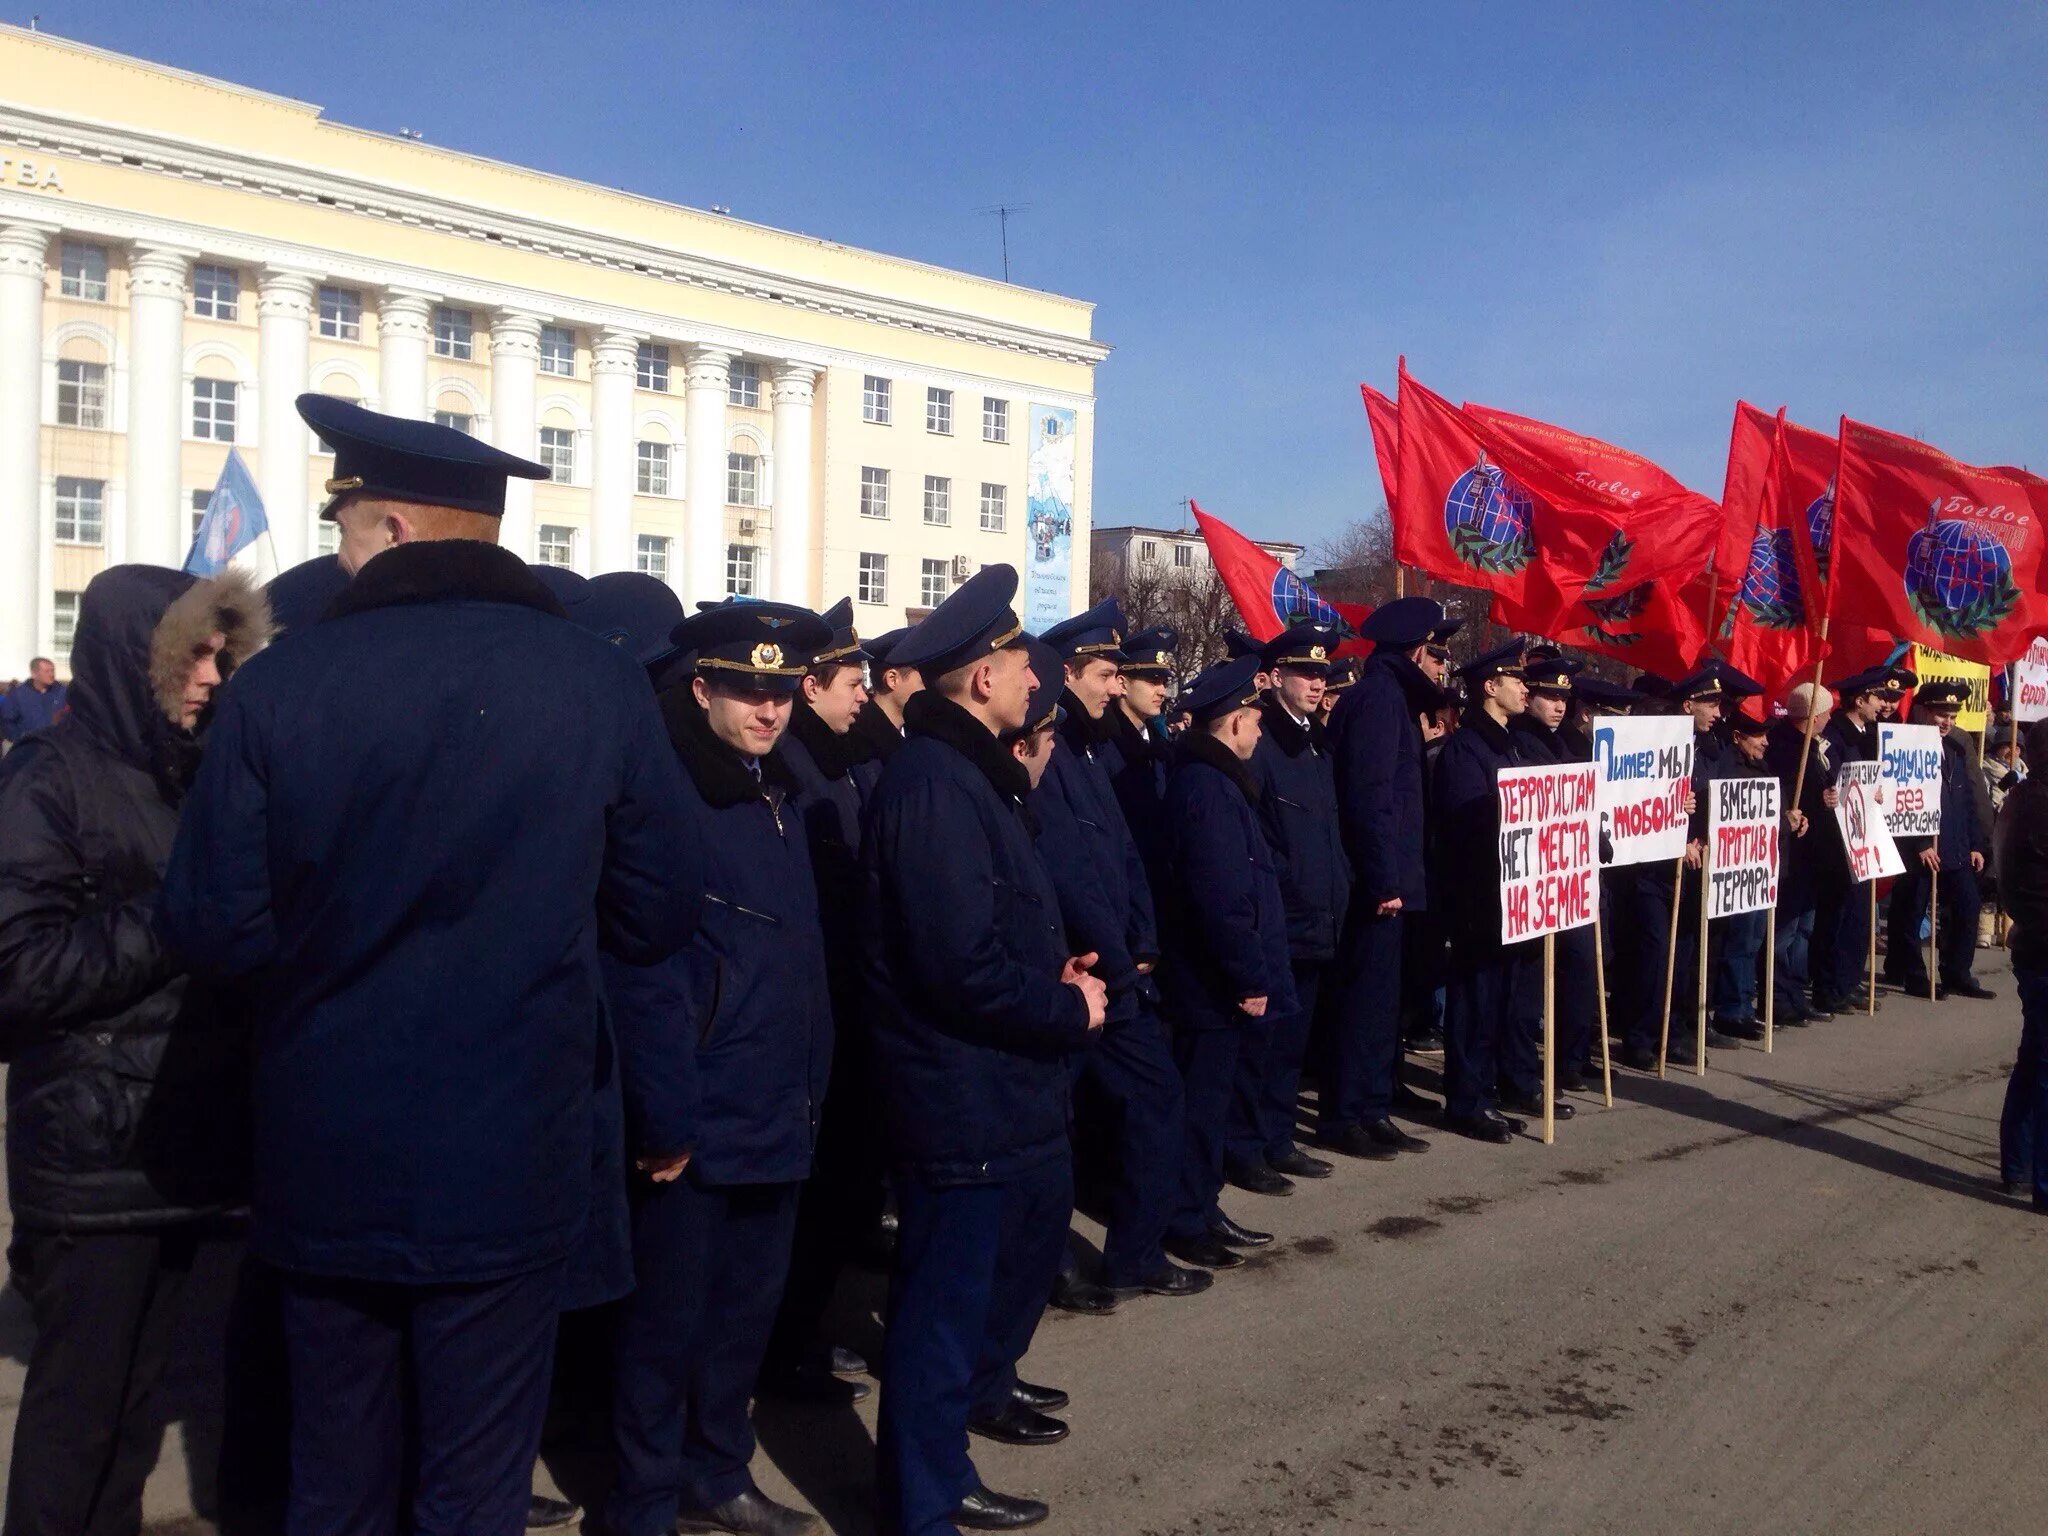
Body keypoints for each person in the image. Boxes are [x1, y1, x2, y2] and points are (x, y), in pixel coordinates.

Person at [158, 396, 704, 1536]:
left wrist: (327, 979)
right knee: (474, 1481)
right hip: (513, 1147)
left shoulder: (282, 684)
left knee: (337, 1473)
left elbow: (212, 926)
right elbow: (656, 914)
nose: (335, 547)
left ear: (396, 531)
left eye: (345, 521)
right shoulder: (593, 681)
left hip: (326, 1141)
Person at [0, 566, 268, 1536]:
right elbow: (15, 976)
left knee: (140, 1417)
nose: (210, 674)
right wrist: (179, 912)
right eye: (191, 653)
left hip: (193, 1151)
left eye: (220, 653)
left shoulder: (200, 773)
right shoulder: (46, 778)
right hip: (93, 1165)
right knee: (78, 1425)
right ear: (130, 660)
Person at [860, 565, 1106, 1536]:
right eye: (1013, 660)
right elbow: (953, 968)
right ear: (976, 680)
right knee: (937, 1311)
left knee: (969, 1298)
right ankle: (920, 1503)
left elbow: (984, 934)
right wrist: (1063, 1005)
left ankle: (948, 1455)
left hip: (992, 1088)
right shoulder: (934, 787)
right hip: (953, 1094)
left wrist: (1054, 968)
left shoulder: (965, 774)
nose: (1029, 676)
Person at [605, 597, 836, 1536]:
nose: (768, 708)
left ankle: (716, 1474)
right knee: (663, 1330)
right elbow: (646, 971)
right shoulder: (673, 792)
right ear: (700, 687)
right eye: (746, 689)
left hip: (776, 1101)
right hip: (698, 1113)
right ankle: (643, 1503)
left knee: (743, 1318)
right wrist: (665, 1118)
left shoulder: (775, 787)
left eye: (781, 690)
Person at [1031, 599, 1201, 1311]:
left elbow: (1120, 855)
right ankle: (1067, 1264)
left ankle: (1132, 1252)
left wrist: (1144, 940)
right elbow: (1070, 871)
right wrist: (1118, 950)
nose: (1114, 685)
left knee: (1142, 1107)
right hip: (1086, 972)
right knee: (1057, 1128)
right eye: (1106, 673)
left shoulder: (1086, 746)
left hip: (1117, 966)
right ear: (1071, 673)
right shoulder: (1053, 746)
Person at [1155, 656, 1297, 1268]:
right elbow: (1221, 898)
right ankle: (1185, 1218)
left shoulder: (1214, 781)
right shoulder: (1209, 789)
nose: (1261, 731)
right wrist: (1247, 976)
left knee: (1211, 1105)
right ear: (1233, 722)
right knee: (1201, 1106)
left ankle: (1202, 1207)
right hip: (1209, 985)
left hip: (1214, 982)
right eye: (1254, 720)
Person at [1320, 596, 1452, 1159]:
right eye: (1438, 652)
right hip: (1377, 884)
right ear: (1417, 650)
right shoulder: (1378, 700)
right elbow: (1369, 799)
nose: (1442, 666)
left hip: (1391, 878)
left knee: (1382, 1001)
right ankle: (1347, 1113)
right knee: (1364, 1001)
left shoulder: (1390, 697)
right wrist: (1382, 880)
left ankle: (1372, 1106)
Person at [1230, 622, 1348, 1192]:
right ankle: (1247, 1146)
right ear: (1274, 677)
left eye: (1322, 673)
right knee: (1262, 1045)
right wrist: (1286, 898)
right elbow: (1260, 843)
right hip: (1281, 918)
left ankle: (1278, 1138)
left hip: (1317, 917)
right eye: (1305, 671)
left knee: (1291, 1044)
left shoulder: (1313, 743)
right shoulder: (1263, 746)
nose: (1316, 682)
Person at [1431, 640, 1539, 1142]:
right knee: (1474, 1001)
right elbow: (1465, 825)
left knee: (1502, 999)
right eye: (1515, 680)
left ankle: (1487, 1093)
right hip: (1479, 897)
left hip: (1513, 896)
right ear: (1489, 687)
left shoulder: (1509, 743)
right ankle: (1465, 1100)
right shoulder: (1465, 749)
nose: (1525, 688)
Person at [1506, 652, 1597, 1099]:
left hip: (1573, 874)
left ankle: (1569, 1061)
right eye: (1549, 695)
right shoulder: (1519, 740)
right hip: (1537, 880)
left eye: (1564, 696)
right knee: (1530, 982)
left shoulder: (1574, 744)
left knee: (1580, 967)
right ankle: (1524, 1074)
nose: (1559, 705)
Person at [1882, 679, 1995, 1000]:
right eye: (1940, 714)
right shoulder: (1905, 742)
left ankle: (1958, 971)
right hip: (1917, 846)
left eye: (1952, 715)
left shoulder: (1958, 745)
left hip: (1955, 843)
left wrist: (1976, 843)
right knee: (1910, 910)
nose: (1947, 722)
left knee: (1967, 906)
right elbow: (1899, 799)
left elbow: (1969, 796)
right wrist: (1920, 843)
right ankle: (1913, 973)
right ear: (1923, 711)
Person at [1814, 667, 1892, 1015]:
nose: (1882, 704)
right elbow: (1831, 777)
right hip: (1839, 842)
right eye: (1877, 698)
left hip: (1863, 837)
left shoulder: (1866, 734)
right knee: (1839, 915)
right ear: (1859, 700)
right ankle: (1829, 986)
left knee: (1859, 914)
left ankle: (1847, 981)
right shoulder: (1837, 735)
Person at [1996, 719, 2048, 1206]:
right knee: (2042, 1064)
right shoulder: (2035, 805)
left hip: (2034, 945)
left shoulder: (2024, 799)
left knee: (2035, 1060)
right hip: (2042, 947)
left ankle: (2018, 1166)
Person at [1705, 708, 1776, 1041]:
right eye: (1758, 735)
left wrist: (1791, 821)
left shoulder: (1760, 767)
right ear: (1737, 737)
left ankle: (1745, 1005)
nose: (1765, 742)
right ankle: (1732, 1009)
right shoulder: (1727, 768)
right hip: (1735, 872)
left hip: (1759, 871)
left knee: (1754, 938)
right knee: (1740, 939)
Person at [1767, 680, 1833, 1027]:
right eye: (1825, 712)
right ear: (1815, 714)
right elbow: (1786, 794)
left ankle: (1794, 993)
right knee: (1785, 931)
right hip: (1791, 853)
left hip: (1811, 854)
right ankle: (1777, 997)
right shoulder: (1785, 747)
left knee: (1803, 930)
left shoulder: (1814, 747)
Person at [0, 655, 66, 748]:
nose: (51, 674)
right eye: (47, 671)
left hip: (56, 747)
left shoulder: (62, 692)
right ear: (34, 673)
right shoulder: (18, 694)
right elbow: (7, 721)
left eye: (52, 670)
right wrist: (19, 738)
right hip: (27, 748)